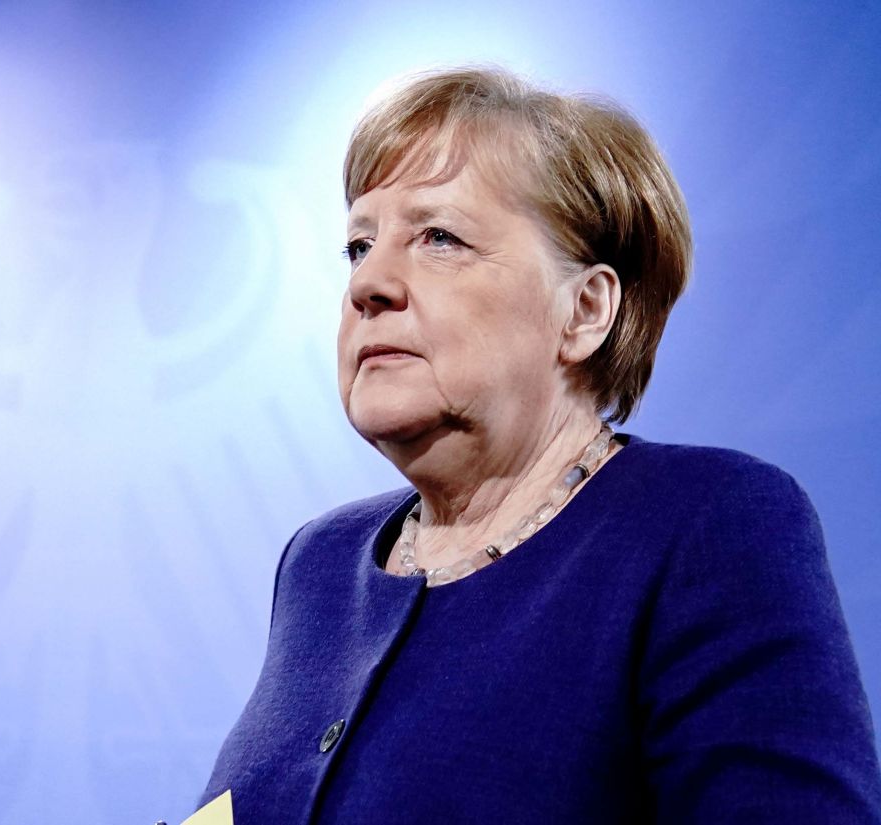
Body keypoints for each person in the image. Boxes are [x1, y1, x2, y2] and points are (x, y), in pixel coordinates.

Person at [197, 67, 881, 823]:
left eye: (439, 238)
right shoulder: (318, 563)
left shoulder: (706, 525)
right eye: (359, 247)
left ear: (585, 310)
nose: (370, 284)